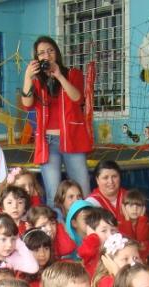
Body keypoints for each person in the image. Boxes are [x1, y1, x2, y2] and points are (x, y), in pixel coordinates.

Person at [20, 36, 92, 202]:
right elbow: (27, 104)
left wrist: (59, 75)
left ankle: (83, 218)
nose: (47, 55)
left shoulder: (73, 74)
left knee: (82, 189)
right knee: (53, 193)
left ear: (57, 53)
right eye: (41, 53)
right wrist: (27, 78)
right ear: (37, 58)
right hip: (48, 142)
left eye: (50, 50)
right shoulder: (36, 80)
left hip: (72, 139)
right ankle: (56, 219)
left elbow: (78, 98)